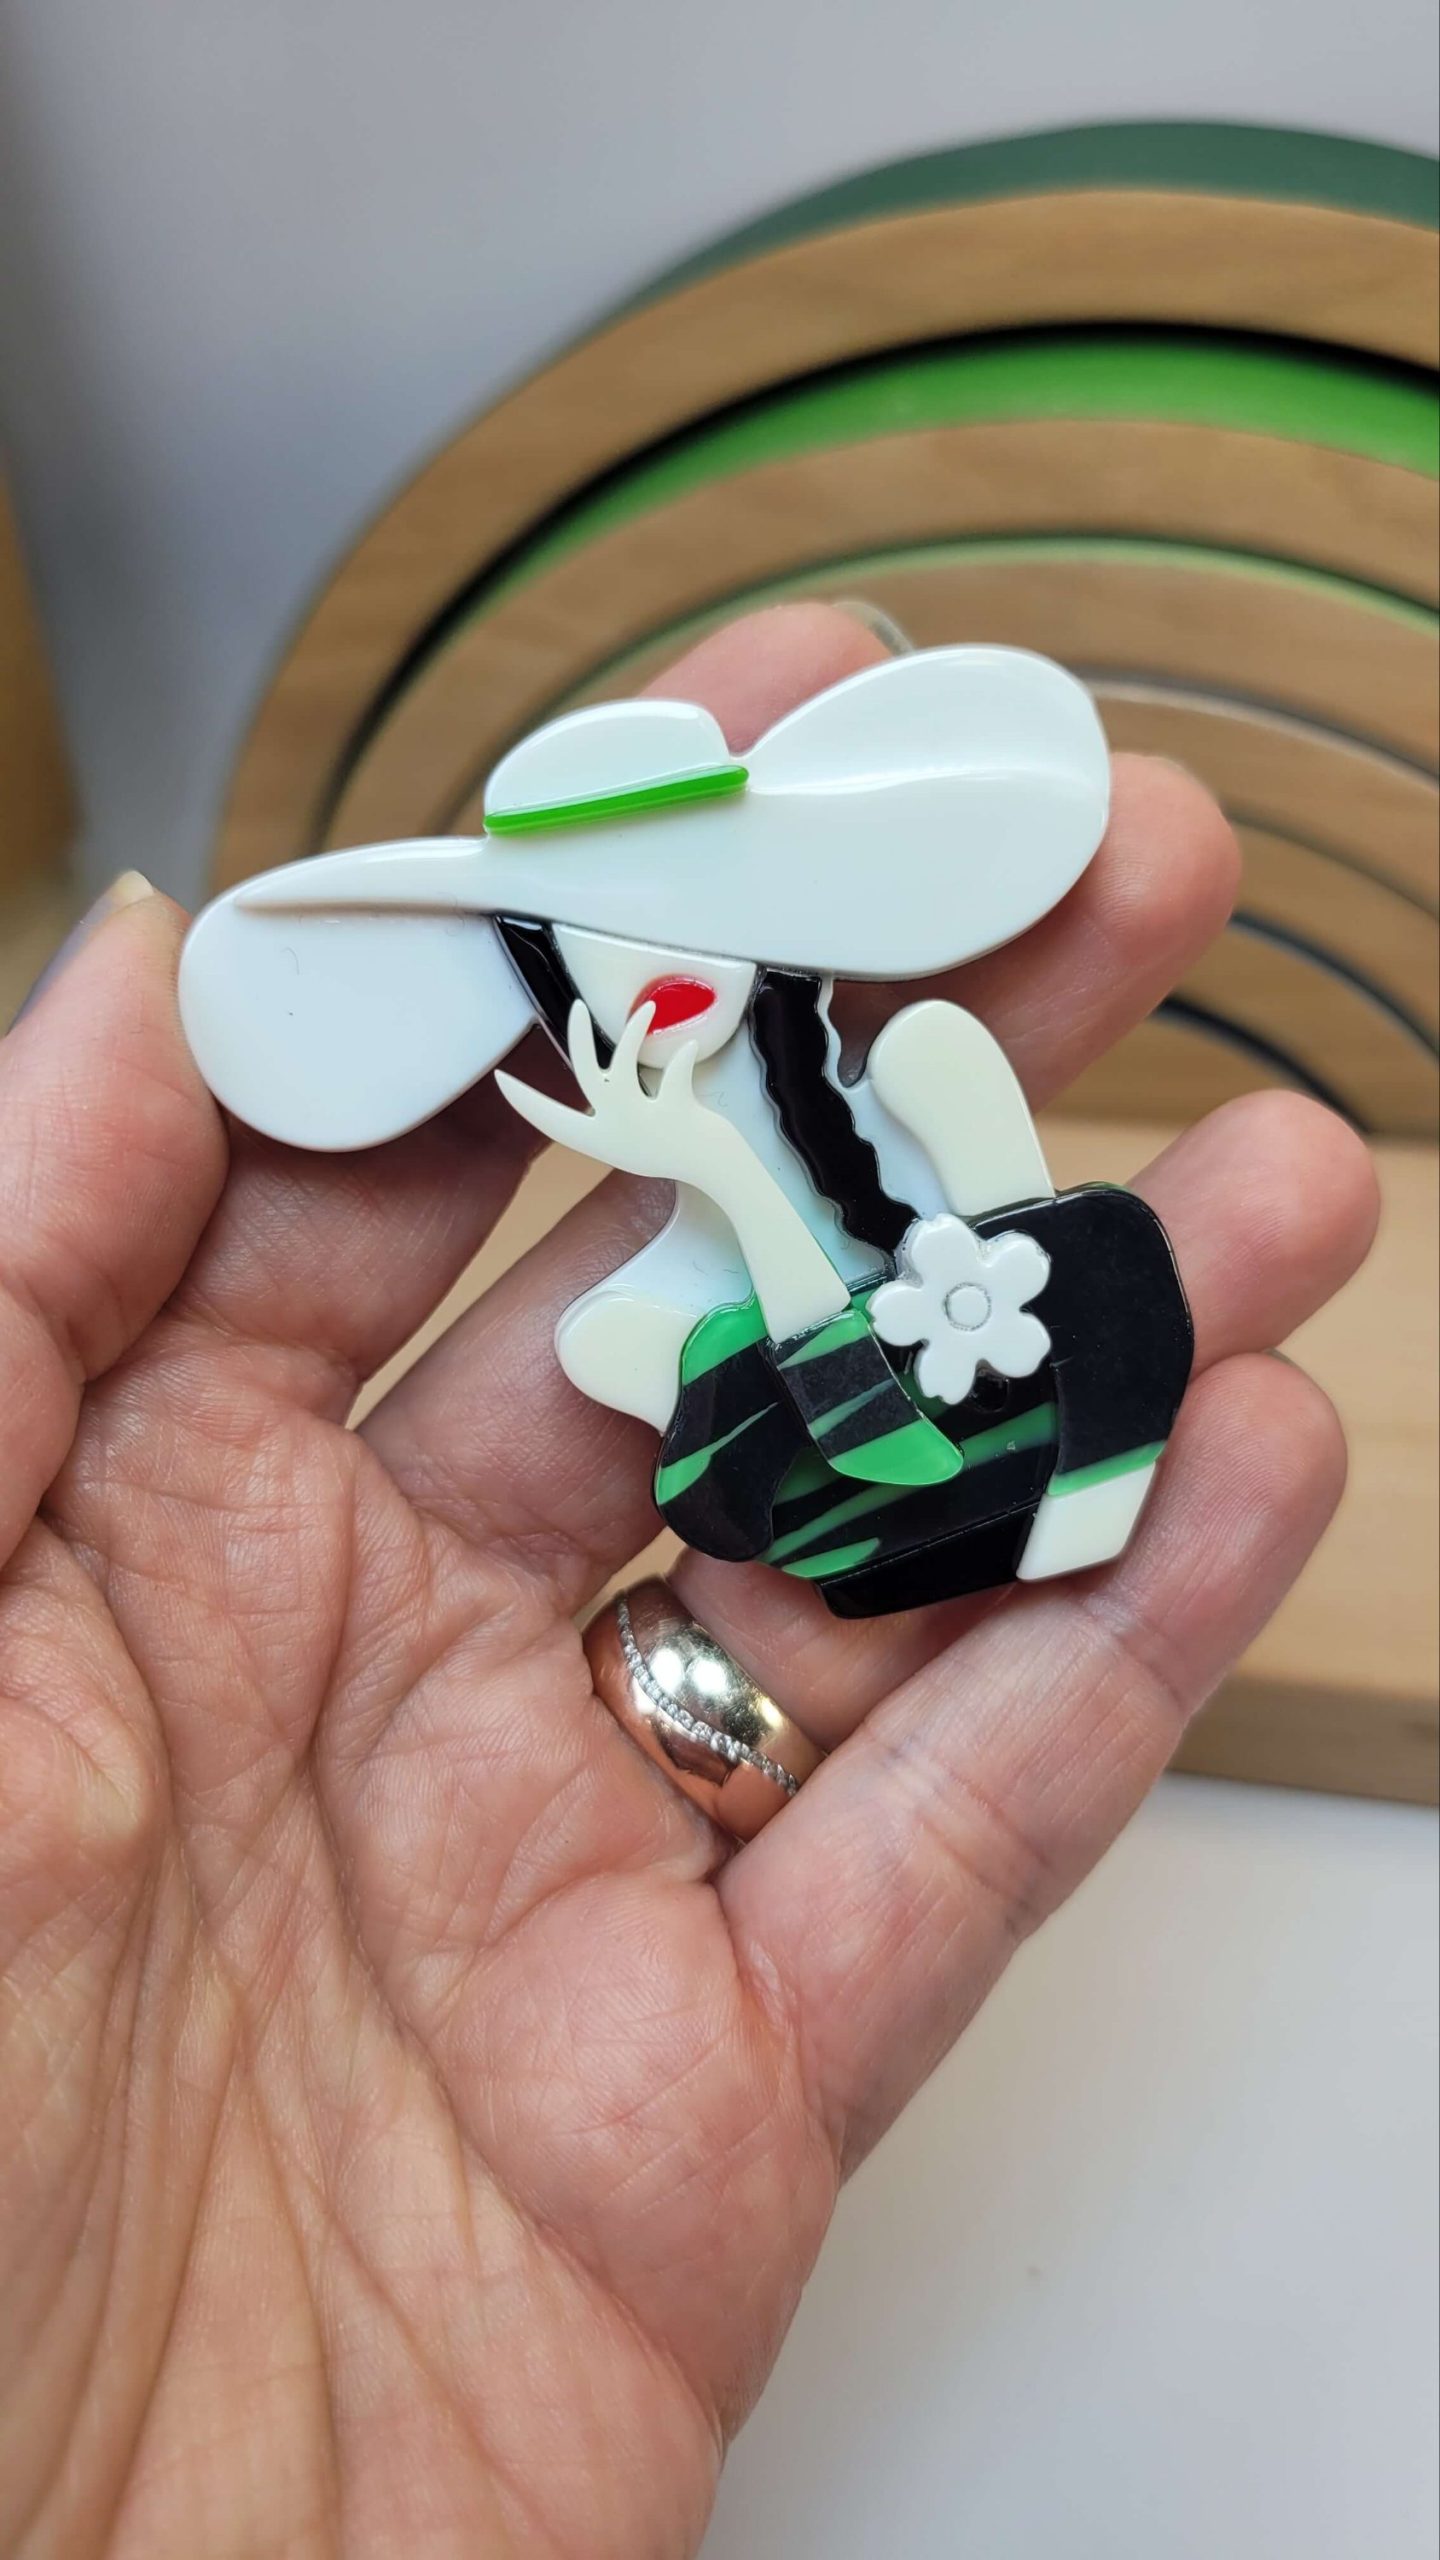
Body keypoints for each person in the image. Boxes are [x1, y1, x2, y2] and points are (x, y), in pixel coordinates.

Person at [0, 604, 1377, 2557]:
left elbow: (1016, 1330)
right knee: (714, 1395)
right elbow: (857, 1431)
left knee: (1091, 1270)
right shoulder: (646, 1331)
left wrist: (824, 1240)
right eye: (591, 948)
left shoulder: (942, 1080)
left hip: (1031, 1421)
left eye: (690, 919)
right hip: (862, 1472)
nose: (650, 974)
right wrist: (725, 1190)